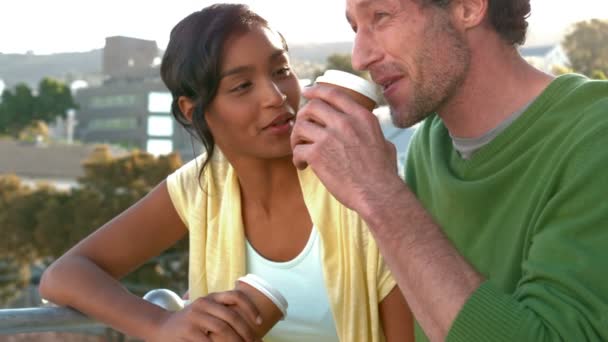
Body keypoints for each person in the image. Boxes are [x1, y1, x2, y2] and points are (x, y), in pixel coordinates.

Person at [39, 3, 414, 342]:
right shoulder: (200, 188)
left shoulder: (359, 186)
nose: (275, 96)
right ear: (192, 110)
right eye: (242, 86)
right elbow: (65, 274)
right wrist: (161, 325)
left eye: (281, 70)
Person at [291, 0, 608, 341]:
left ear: (469, 7)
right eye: (355, 28)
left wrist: (380, 193)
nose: (360, 58)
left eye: (381, 16)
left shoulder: (595, 136)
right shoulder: (431, 145)